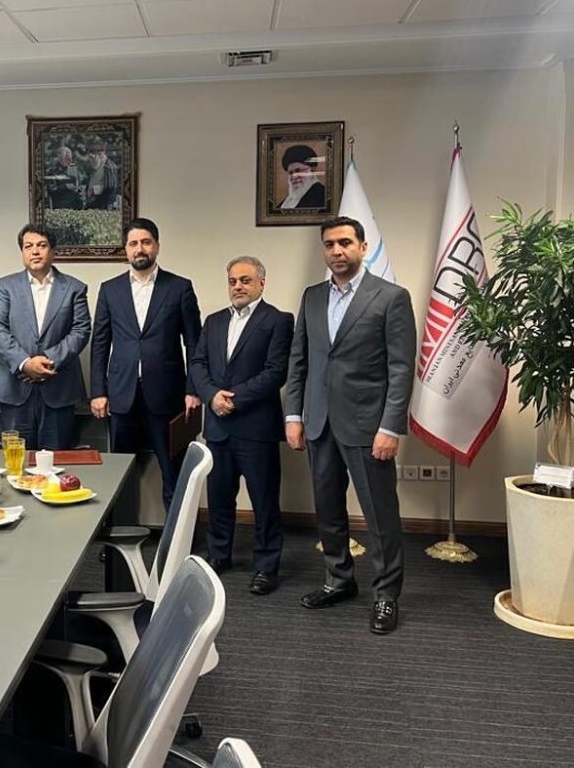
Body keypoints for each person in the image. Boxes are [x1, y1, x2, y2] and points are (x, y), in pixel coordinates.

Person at [285, 215, 416, 634]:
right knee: (328, 510)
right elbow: (299, 360)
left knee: (380, 516)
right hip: (318, 423)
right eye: (329, 244)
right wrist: (293, 415)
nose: (337, 251)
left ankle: (386, 595)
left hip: (368, 426)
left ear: (362, 247)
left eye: (344, 242)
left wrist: (390, 427)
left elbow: (401, 368)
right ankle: (339, 580)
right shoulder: (311, 297)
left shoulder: (391, 297)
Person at [189, 256, 293, 595]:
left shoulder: (278, 320)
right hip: (218, 427)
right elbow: (198, 363)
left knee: (264, 502)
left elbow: (276, 372)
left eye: (245, 280)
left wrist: (232, 400)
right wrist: (211, 396)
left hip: (256, 428)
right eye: (233, 280)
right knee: (219, 498)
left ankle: (266, 567)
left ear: (261, 283)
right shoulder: (214, 321)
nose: (238, 286)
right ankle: (219, 555)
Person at [90, 218, 201, 510]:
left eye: (146, 242)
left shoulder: (179, 288)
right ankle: (117, 534)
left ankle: (178, 536)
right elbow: (100, 343)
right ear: (126, 249)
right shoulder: (109, 290)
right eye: (133, 243)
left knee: (174, 474)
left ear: (157, 246)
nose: (140, 249)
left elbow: (194, 344)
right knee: (119, 474)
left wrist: (193, 389)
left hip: (167, 397)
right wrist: (98, 391)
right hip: (121, 397)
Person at [0, 224, 90, 449]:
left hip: (59, 387)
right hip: (14, 387)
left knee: (57, 458)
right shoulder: (5, 286)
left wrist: (46, 361)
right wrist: (25, 363)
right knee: (16, 459)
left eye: (42, 246)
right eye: (28, 246)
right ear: (22, 252)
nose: (35, 251)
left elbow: (81, 330)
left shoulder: (74, 288)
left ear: (53, 251)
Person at [278, 144, 327, 210]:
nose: (294, 177)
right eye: (291, 173)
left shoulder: (323, 196)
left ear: (312, 170)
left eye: (298, 170)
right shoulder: (285, 203)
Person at [83, 140, 120, 210]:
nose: (90, 160)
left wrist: (94, 190)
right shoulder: (95, 165)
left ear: (101, 154)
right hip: (93, 204)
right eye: (90, 157)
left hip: (104, 206)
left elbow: (112, 186)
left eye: (93, 157)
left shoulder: (109, 166)